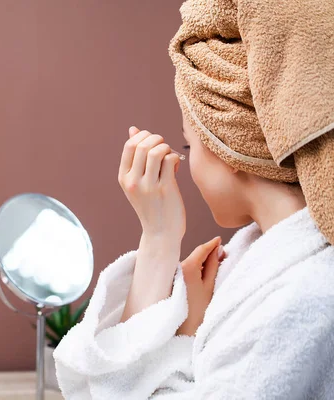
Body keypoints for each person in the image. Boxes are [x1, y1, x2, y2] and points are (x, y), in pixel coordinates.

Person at [53, 0, 334, 398]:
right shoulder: (252, 262)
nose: (187, 158)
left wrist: (184, 333)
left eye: (189, 143)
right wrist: (160, 238)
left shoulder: (304, 297)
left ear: (227, 147)